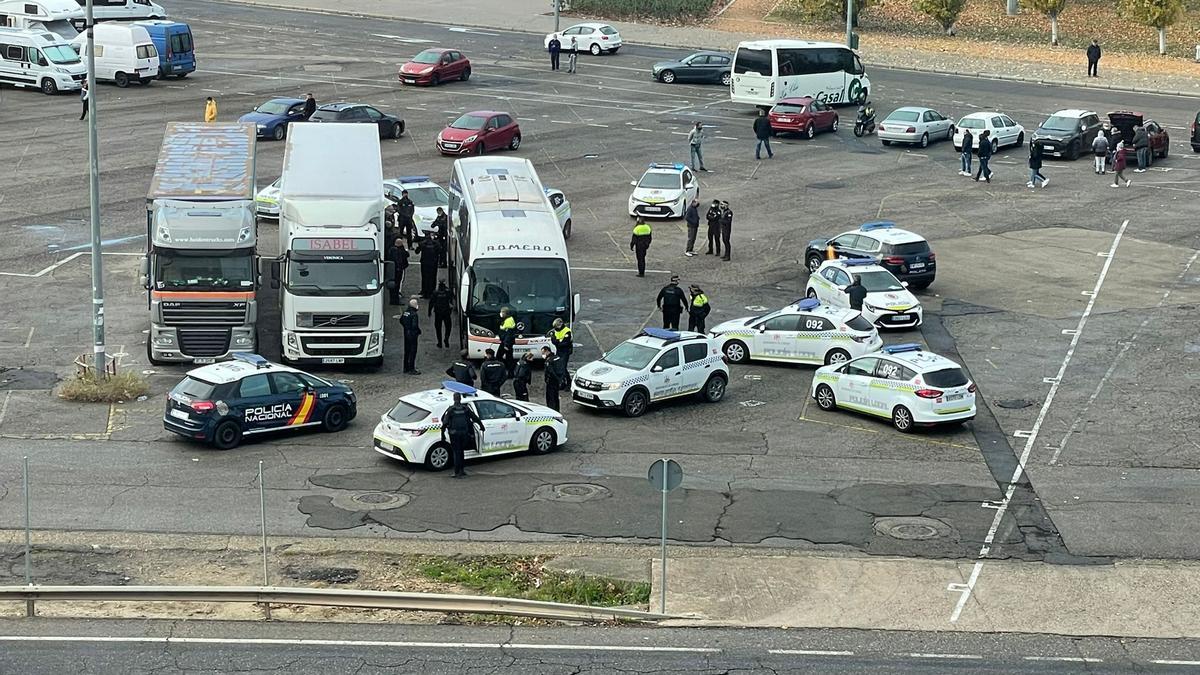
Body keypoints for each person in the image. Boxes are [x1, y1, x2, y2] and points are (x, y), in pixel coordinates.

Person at [441, 392, 483, 478]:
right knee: (461, 452)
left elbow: (445, 423)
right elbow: (475, 418)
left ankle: (457, 472)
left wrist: (443, 434)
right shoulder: (465, 408)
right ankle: (462, 470)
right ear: (460, 398)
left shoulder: (451, 410)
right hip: (464, 433)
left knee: (456, 453)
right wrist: (481, 426)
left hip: (454, 434)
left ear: (454, 399)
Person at [400, 298, 422, 375]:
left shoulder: (405, 312)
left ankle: (405, 367)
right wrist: (418, 331)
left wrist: (406, 327)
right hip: (412, 335)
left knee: (407, 351)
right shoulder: (414, 314)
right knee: (413, 351)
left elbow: (401, 320)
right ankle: (411, 369)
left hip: (406, 333)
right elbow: (414, 325)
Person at [429, 280, 454, 348]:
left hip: (438, 313)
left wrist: (429, 311)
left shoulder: (435, 293)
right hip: (446, 312)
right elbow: (451, 299)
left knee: (438, 328)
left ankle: (439, 342)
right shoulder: (448, 292)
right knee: (448, 327)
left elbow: (431, 302)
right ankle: (446, 338)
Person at [386, 238, 408, 305]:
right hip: (398, 271)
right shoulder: (398, 251)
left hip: (392, 270)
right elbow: (405, 256)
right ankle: (395, 300)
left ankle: (393, 299)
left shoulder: (391, 249)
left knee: (393, 286)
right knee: (397, 286)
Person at [542, 346, 564, 411]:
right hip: (557, 381)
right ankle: (557, 410)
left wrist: (547, 379)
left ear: (547, 351)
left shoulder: (549, 361)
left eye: (543, 352)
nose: (543, 354)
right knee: (556, 397)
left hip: (551, 381)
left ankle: (552, 412)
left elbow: (550, 372)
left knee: (550, 398)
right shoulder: (557, 358)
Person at [497, 307, 517, 373]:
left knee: (499, 356)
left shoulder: (509, 321)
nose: (501, 313)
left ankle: (506, 370)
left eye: (502, 312)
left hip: (506, 343)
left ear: (506, 313)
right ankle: (510, 371)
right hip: (506, 342)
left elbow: (509, 334)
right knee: (509, 358)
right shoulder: (507, 319)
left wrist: (506, 344)